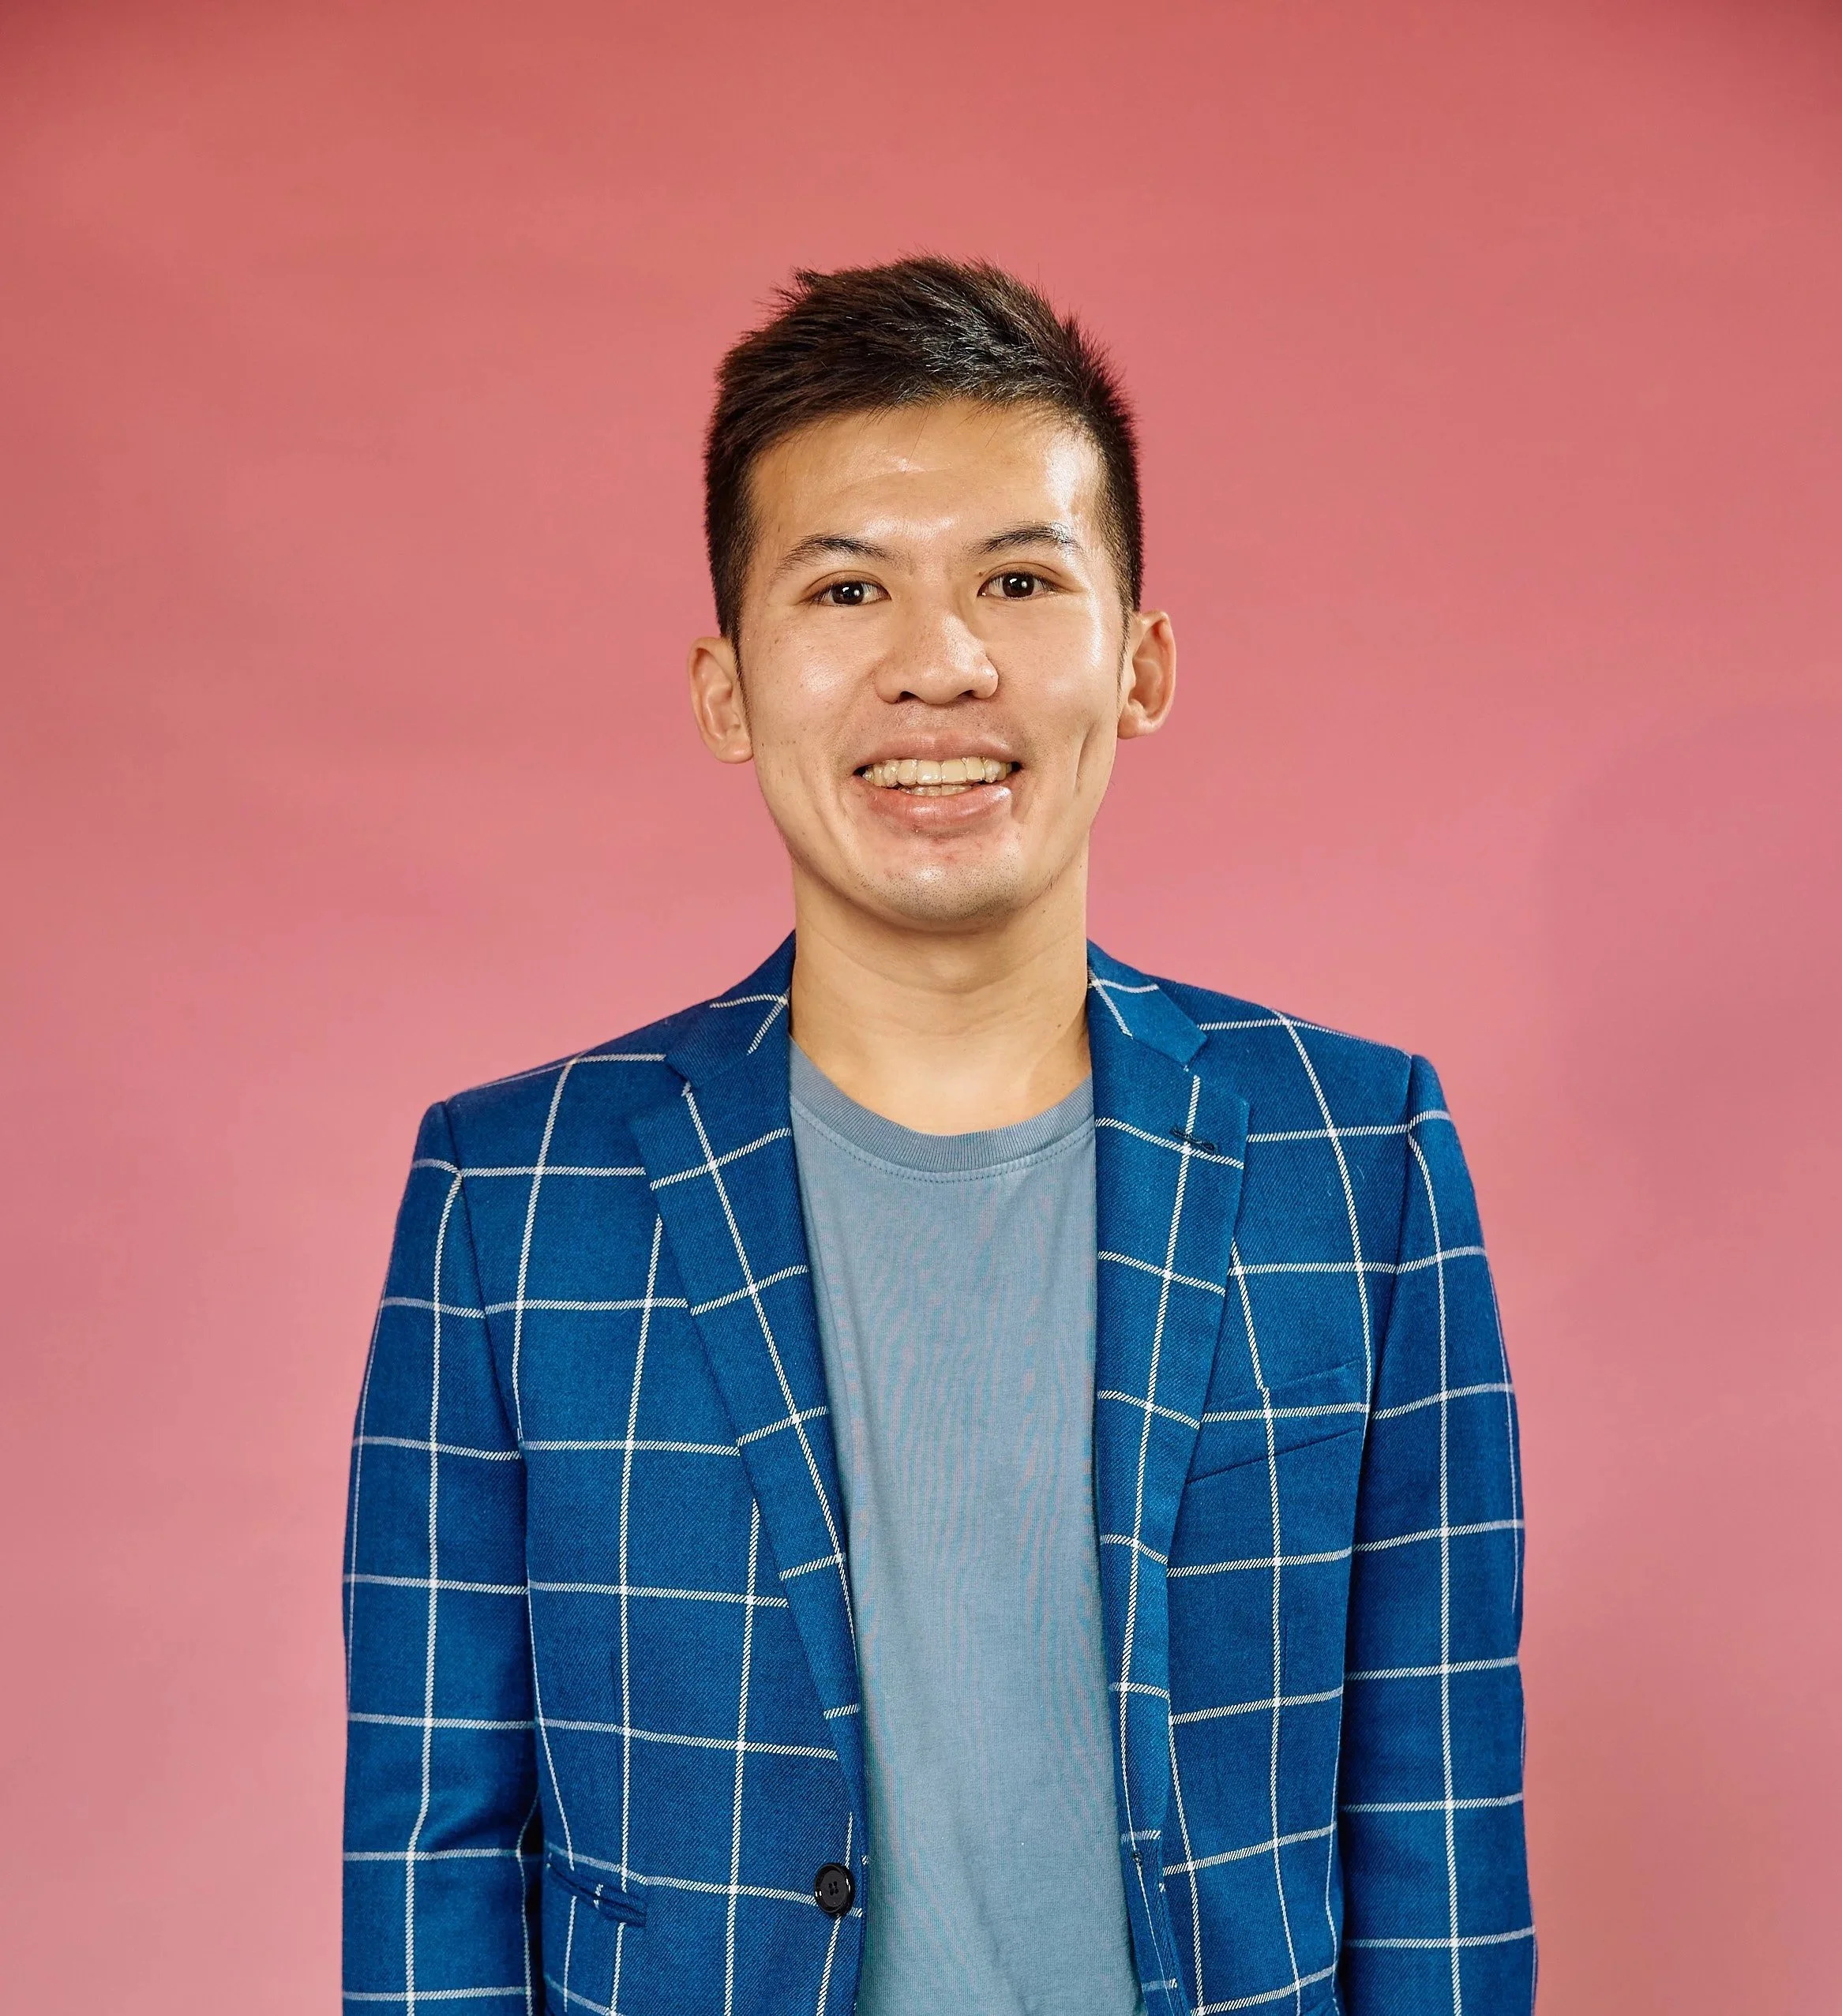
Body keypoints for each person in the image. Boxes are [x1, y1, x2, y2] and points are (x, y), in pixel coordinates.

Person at [342, 257, 1533, 2016]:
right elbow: (431, 1847)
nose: (940, 663)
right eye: (846, 587)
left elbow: (1437, 1817)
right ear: (726, 688)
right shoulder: (511, 1197)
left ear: (1141, 662)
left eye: (1018, 579)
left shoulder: (1359, 1159)